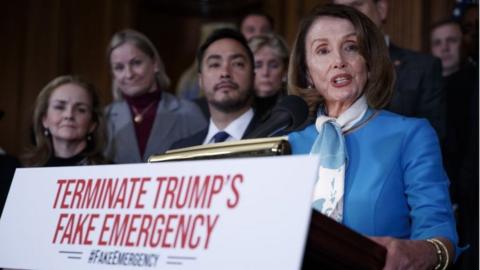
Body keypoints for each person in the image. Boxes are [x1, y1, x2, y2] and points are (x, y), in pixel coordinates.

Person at [287, 4, 459, 269]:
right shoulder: (288, 146)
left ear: (368, 62)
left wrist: (421, 252)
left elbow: (439, 231)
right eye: (323, 50)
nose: (338, 61)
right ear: (307, 72)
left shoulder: (410, 135)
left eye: (351, 47)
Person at [333, 0, 446, 142]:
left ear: (381, 9)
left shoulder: (423, 67)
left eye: (356, 5)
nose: (347, 15)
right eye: (339, 9)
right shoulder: (324, 71)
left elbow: (433, 137)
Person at [105, 29, 207, 163]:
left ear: (155, 64)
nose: (129, 74)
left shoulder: (188, 112)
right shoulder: (105, 117)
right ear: (113, 74)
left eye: (136, 63)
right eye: (119, 67)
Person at [431, 18, 479, 270]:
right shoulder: (427, 86)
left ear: (465, 43)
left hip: (470, 195)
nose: (445, 48)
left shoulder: (474, 83)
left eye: (451, 41)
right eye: (438, 43)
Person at [170, 28, 261, 149]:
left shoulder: (277, 140)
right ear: (200, 80)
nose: (225, 73)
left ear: (253, 77)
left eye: (238, 64)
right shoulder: (178, 152)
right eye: (215, 64)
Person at [22, 75, 107, 167]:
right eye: (59, 107)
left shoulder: (110, 173)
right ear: (44, 119)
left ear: (92, 124)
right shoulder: (28, 171)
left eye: (81, 110)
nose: (69, 115)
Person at [248, 34, 289, 119]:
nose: (265, 73)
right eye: (258, 66)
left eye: (273, 65)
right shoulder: (237, 107)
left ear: (285, 71)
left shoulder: (294, 108)